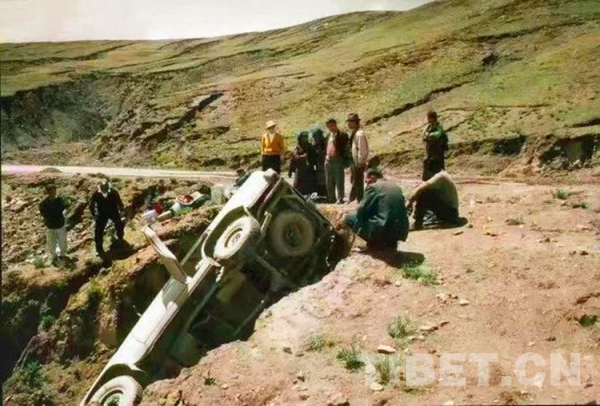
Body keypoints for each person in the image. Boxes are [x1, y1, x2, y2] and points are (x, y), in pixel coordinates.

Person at [344, 168, 408, 251]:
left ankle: (373, 243)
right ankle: (391, 243)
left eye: (366, 181)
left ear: (372, 177)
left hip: (382, 228)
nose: (366, 184)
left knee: (348, 218)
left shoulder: (373, 187)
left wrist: (358, 227)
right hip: (400, 229)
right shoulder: (396, 187)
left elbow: (361, 208)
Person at [90, 180, 126, 257]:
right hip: (102, 213)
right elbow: (91, 205)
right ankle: (99, 249)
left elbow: (119, 202)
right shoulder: (96, 193)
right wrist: (94, 214)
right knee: (98, 231)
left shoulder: (113, 192)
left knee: (119, 225)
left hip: (113, 211)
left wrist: (122, 210)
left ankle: (120, 238)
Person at [39, 184, 68, 264]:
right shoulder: (44, 203)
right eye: (52, 191)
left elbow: (66, 206)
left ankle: (62, 255)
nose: (54, 192)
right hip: (50, 225)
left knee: (62, 240)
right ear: (48, 192)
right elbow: (42, 212)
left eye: (54, 190)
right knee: (51, 242)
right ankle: (54, 256)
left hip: (60, 224)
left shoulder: (60, 200)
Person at [324, 118, 349, 203]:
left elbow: (345, 148)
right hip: (328, 159)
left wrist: (344, 159)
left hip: (338, 159)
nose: (330, 128)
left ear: (335, 125)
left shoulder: (342, 134)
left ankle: (340, 198)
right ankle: (331, 198)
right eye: (329, 127)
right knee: (329, 180)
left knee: (339, 180)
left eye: (332, 126)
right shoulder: (328, 135)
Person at [347, 113, 369, 203]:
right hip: (354, 160)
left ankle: (359, 198)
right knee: (355, 179)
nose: (348, 124)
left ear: (355, 122)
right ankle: (355, 198)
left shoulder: (360, 134)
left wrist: (360, 161)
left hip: (358, 161)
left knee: (358, 180)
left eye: (350, 122)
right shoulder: (355, 132)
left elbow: (362, 149)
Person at [422, 110, 449, 181]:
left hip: (438, 152)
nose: (428, 120)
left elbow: (437, 135)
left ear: (433, 118)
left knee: (438, 168)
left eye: (429, 118)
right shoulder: (428, 127)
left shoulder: (439, 127)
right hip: (430, 151)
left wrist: (429, 135)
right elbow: (424, 136)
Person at [288, 131, 317, 195]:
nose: (305, 138)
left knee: (309, 185)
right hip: (299, 169)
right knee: (298, 186)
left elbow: (313, 157)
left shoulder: (309, 146)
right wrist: (290, 170)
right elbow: (293, 158)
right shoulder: (298, 147)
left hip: (308, 169)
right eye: (304, 137)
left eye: (306, 136)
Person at [311, 127, 328, 198]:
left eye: (316, 137)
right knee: (319, 179)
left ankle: (326, 193)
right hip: (318, 164)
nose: (315, 138)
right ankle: (321, 194)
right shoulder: (315, 144)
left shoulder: (325, 142)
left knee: (326, 179)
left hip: (325, 163)